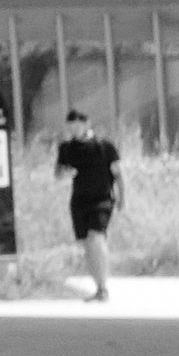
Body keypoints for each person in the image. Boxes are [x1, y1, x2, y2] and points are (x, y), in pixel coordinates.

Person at [59, 108, 122, 304]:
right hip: (79, 201)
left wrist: (122, 196)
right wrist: (64, 173)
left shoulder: (104, 146)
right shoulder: (67, 148)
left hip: (102, 199)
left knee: (97, 239)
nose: (74, 129)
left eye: (78, 124)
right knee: (87, 245)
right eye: (71, 125)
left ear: (87, 124)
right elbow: (58, 172)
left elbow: (118, 173)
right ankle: (98, 288)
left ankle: (103, 287)